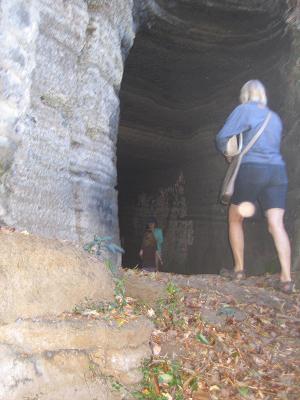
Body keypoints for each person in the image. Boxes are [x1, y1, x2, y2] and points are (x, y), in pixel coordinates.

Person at [216, 80, 294, 293]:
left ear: (246, 94)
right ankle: (287, 278)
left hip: (253, 169)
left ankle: (239, 269)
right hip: (277, 172)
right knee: (276, 223)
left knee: (235, 218)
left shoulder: (245, 109)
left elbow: (222, 137)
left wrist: (228, 153)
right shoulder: (274, 118)